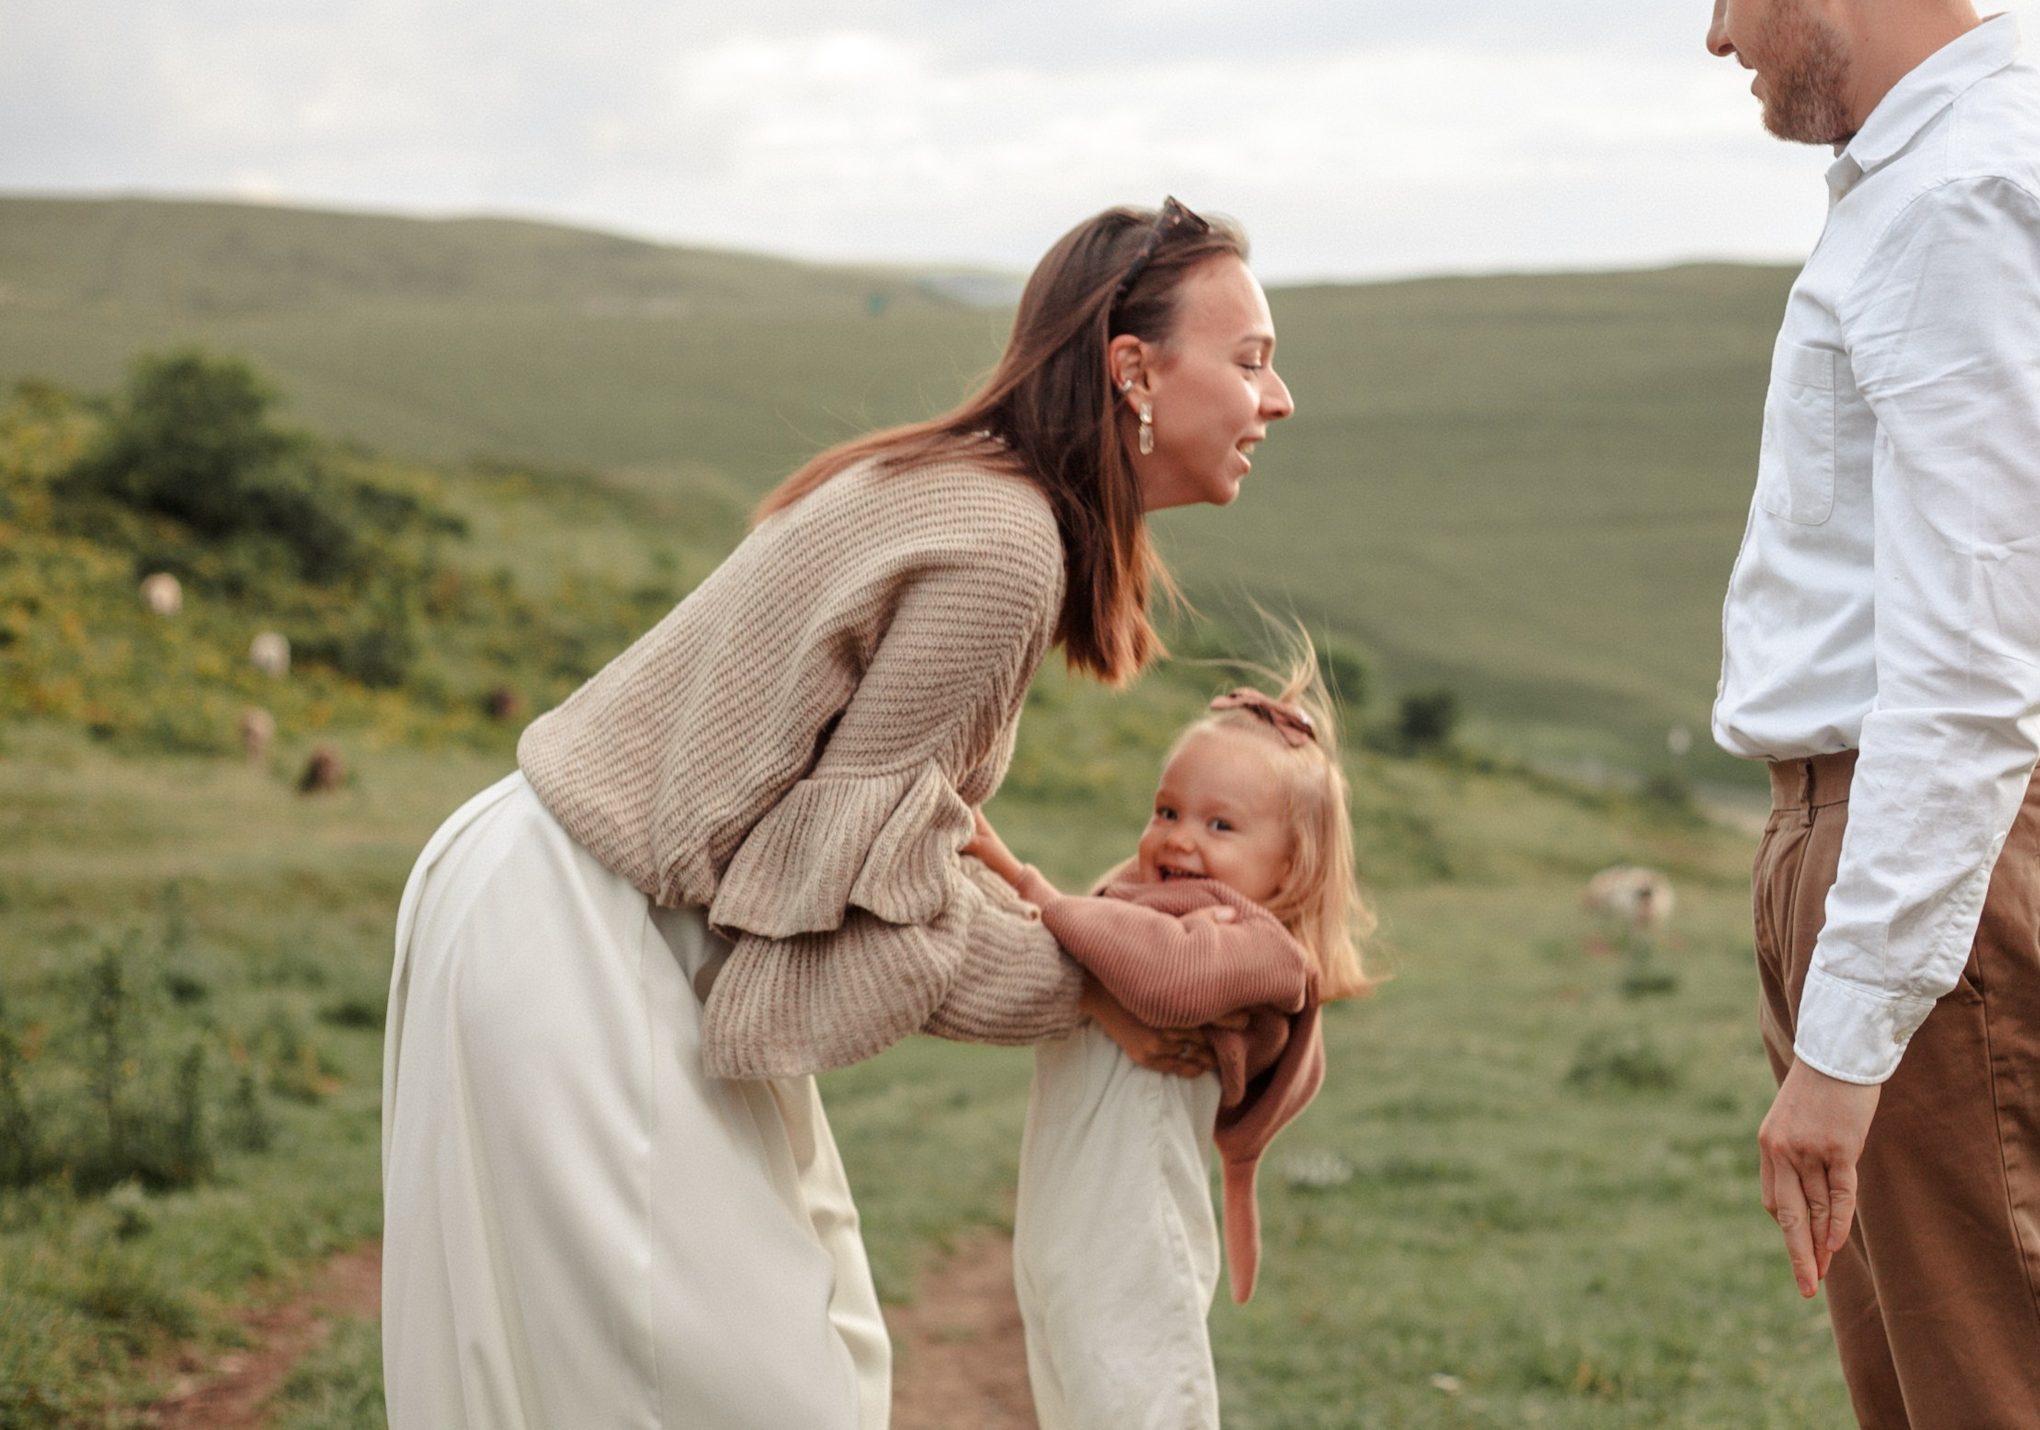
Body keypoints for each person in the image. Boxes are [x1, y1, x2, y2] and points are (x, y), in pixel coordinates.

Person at [378, 196, 1292, 1429]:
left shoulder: (972, 492)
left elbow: (871, 856)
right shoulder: (1007, 549)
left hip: (559, 887)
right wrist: (1100, 984)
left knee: (774, 1359)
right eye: (1251, 360)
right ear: (1134, 371)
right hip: (585, 926)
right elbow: (844, 908)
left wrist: (1087, 956)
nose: (1278, 400)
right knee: (737, 1395)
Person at [1683, 0, 2040, 1430]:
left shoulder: (1963, 204)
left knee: (2008, 1397)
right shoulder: (1934, 184)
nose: (1718, 35)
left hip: (1941, 846)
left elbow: (1970, 662)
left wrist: (1847, 1042)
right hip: (1908, 843)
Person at [963, 645, 1376, 1430]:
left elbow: (1165, 979)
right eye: (1166, 811)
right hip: (1062, 1228)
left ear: (1290, 868)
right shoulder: (1143, 916)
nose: (1180, 837)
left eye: (1220, 824)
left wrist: (1026, 881)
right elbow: (1087, 950)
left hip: (1132, 1241)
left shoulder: (1258, 949)